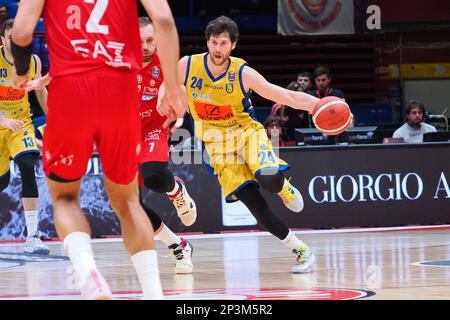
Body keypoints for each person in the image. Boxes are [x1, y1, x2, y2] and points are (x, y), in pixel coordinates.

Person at [11, 0, 186, 300]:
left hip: (71, 90)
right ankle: (154, 293)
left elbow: (23, 31)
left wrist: (21, 70)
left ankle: (87, 269)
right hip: (120, 89)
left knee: (65, 197)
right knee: (129, 204)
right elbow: (164, 20)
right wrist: (173, 87)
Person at [171, 16, 324, 273]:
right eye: (213, 42)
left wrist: (319, 105)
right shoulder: (186, 66)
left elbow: (284, 95)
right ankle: (301, 250)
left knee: (268, 178)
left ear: (233, 45)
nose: (217, 48)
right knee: (255, 206)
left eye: (223, 43)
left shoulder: (243, 73)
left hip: (246, 134)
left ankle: (284, 187)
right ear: (207, 42)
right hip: (216, 145)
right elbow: (167, 91)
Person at [137, 17, 195, 274]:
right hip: (123, 135)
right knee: (131, 207)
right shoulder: (119, 63)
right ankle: (178, 245)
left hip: (153, 128)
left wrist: (177, 107)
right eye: (140, 42)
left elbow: (178, 88)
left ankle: (176, 190)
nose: (146, 46)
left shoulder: (167, 62)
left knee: (153, 176)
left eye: (151, 40)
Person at [0, 19, 49, 254]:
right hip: (0, 122)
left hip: (21, 123)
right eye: (11, 38)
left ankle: (32, 237)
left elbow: (40, 90)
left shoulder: (34, 61)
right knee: (3, 181)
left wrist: (54, 120)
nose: (17, 43)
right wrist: (2, 120)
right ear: (3, 40)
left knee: (28, 163)